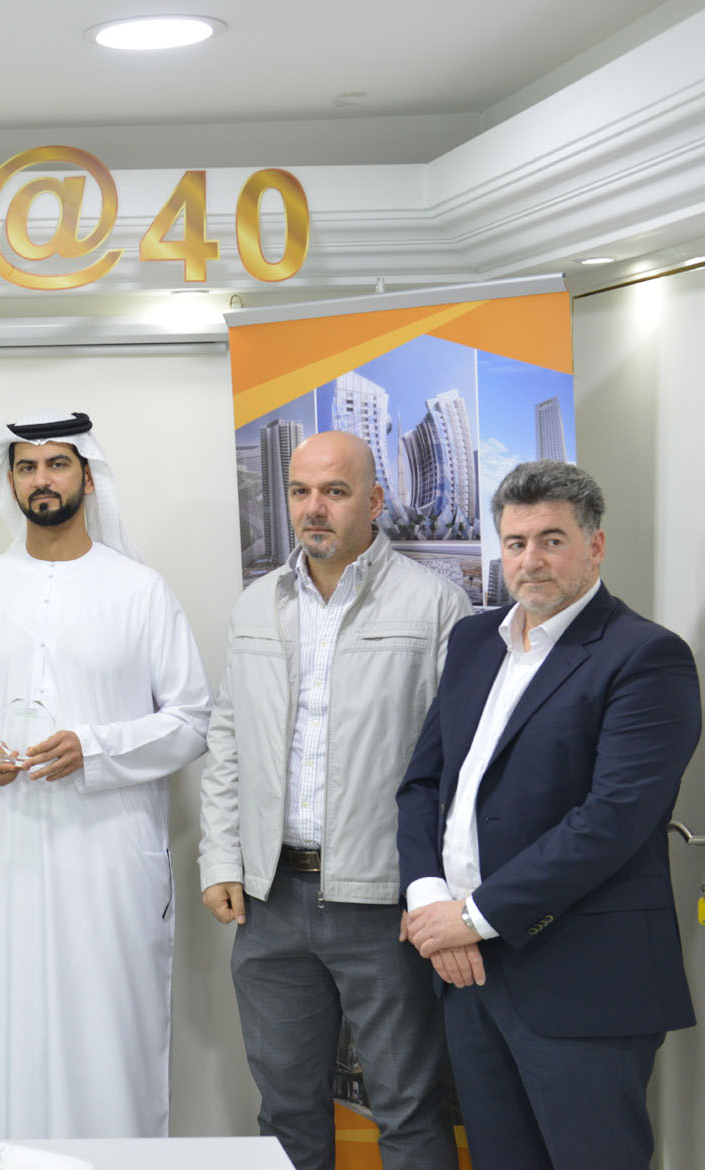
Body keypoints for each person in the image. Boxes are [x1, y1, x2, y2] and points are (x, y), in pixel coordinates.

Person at [398, 460, 700, 1170]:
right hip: (468, 975)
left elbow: (612, 821)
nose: (529, 560)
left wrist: (472, 916)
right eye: (514, 542)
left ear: (594, 546)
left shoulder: (645, 656)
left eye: (551, 540)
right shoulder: (474, 642)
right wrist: (430, 901)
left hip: (582, 981)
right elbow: (423, 785)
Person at [0, 411, 212, 1138]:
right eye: (27, 467)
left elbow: (191, 719)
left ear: (88, 476)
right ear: (11, 481)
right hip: (5, 851)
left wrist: (95, 748)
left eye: (57, 464)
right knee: (8, 1022)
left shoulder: (141, 590)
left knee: (110, 1028)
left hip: (110, 856)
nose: (41, 479)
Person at [197, 431, 468, 1170]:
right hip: (270, 901)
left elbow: (458, 766)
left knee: (408, 1109)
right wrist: (220, 859)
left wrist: (435, 890)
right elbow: (228, 739)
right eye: (299, 491)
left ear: (374, 500)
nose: (313, 508)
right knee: (285, 1111)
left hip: (384, 903)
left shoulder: (434, 605)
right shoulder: (256, 604)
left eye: (335, 492)